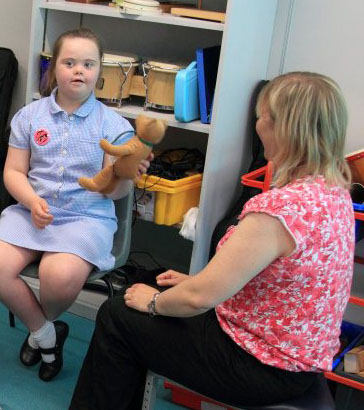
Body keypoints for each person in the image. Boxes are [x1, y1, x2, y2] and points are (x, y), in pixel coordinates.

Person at [69, 72, 355, 410]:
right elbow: (282, 284)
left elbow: (199, 299)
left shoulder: (280, 209)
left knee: (118, 316)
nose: (258, 125)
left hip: (261, 366)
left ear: (283, 128)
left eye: (262, 117)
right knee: (149, 287)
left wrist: (155, 303)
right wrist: (195, 283)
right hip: (297, 359)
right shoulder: (334, 193)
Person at [0, 27, 151, 382]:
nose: (79, 70)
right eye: (69, 62)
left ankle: (41, 329)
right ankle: (46, 334)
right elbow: (13, 172)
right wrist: (31, 200)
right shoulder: (29, 116)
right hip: (30, 211)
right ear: (54, 69)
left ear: (100, 71)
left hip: (85, 217)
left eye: (88, 63)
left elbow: (113, 193)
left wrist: (125, 174)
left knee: (58, 278)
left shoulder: (114, 126)